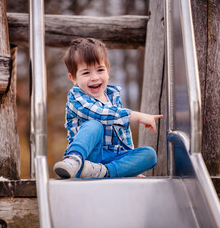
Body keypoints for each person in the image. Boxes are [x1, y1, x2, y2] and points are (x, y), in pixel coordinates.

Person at [54, 38, 163, 179]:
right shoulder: (76, 97)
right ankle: (74, 160)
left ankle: (105, 171)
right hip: (88, 156)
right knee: (94, 125)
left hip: (110, 160)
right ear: (73, 78)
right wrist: (137, 115)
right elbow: (100, 114)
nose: (95, 77)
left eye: (100, 70)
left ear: (108, 70)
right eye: (86, 73)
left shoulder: (113, 97)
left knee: (149, 155)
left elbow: (124, 137)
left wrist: (128, 168)